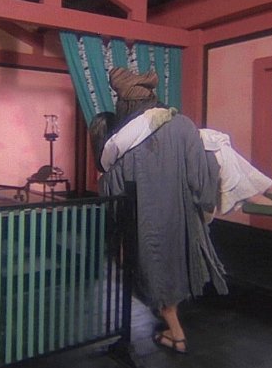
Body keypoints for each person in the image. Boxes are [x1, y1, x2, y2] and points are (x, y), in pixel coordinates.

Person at [92, 67, 229, 355]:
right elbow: (200, 179)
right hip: (180, 217)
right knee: (173, 270)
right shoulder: (183, 125)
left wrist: (104, 179)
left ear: (125, 104)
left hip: (144, 220)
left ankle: (176, 334)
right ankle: (174, 329)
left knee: (153, 270)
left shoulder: (127, 136)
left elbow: (114, 187)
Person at [95, 106, 272, 217]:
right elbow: (122, 142)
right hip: (161, 167)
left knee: (219, 147)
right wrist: (153, 117)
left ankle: (262, 189)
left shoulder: (124, 142)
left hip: (165, 160)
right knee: (210, 140)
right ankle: (257, 192)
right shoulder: (111, 153)